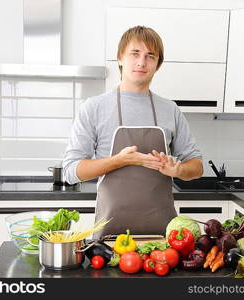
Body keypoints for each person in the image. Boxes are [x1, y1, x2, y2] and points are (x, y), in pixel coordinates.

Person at [62, 26, 203, 239]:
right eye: (135, 53)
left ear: (157, 65)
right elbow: (72, 172)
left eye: (150, 56)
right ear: (120, 58)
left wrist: (178, 170)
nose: (141, 62)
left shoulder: (170, 109)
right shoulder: (94, 107)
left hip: (164, 238)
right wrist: (120, 160)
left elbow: (197, 167)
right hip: (109, 238)